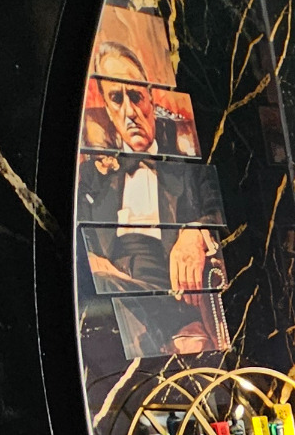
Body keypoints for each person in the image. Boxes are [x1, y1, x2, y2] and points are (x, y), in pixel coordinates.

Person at [80, 41, 222, 302]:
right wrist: (92, 260)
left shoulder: (187, 166)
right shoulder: (92, 174)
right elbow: (77, 239)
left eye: (135, 96)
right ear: (108, 110)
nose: (130, 112)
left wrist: (195, 233)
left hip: (168, 284)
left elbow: (218, 209)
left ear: (150, 98)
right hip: (115, 279)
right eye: (116, 99)